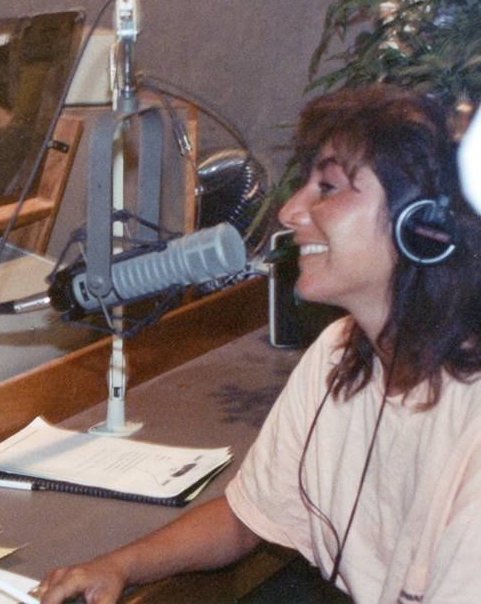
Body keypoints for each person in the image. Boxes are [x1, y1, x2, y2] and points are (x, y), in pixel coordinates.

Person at [36, 84, 481, 604]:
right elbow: (246, 517)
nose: (291, 212)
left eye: (328, 188)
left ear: (423, 226)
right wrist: (118, 566)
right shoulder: (342, 352)